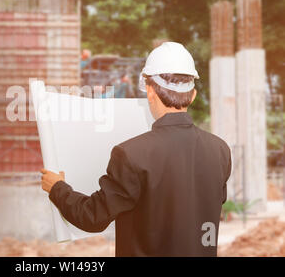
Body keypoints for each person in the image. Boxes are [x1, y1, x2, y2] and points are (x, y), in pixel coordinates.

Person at [40, 42, 231, 257]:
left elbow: (92, 217)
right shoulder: (220, 151)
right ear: (193, 94)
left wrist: (57, 187)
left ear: (150, 91)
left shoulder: (131, 155)